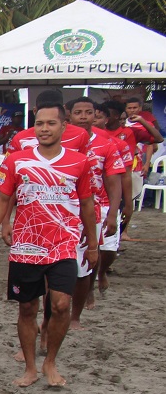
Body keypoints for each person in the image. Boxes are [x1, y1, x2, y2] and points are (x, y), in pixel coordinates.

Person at [0, 95, 96, 387]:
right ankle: (30, 368)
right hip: (25, 245)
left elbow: (87, 205)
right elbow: (2, 199)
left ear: (64, 125)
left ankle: (50, 363)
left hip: (64, 244)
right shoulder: (16, 160)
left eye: (51, 123)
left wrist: (93, 245)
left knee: (60, 305)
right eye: (39, 123)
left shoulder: (80, 162)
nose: (44, 128)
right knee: (27, 308)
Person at [66, 97, 124, 329]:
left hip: (95, 210)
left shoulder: (107, 145)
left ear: (96, 115)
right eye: (78, 112)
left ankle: (76, 313)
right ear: (69, 115)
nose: (83, 117)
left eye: (88, 112)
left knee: (90, 260)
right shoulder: (61, 143)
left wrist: (114, 212)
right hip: (64, 211)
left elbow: (114, 181)